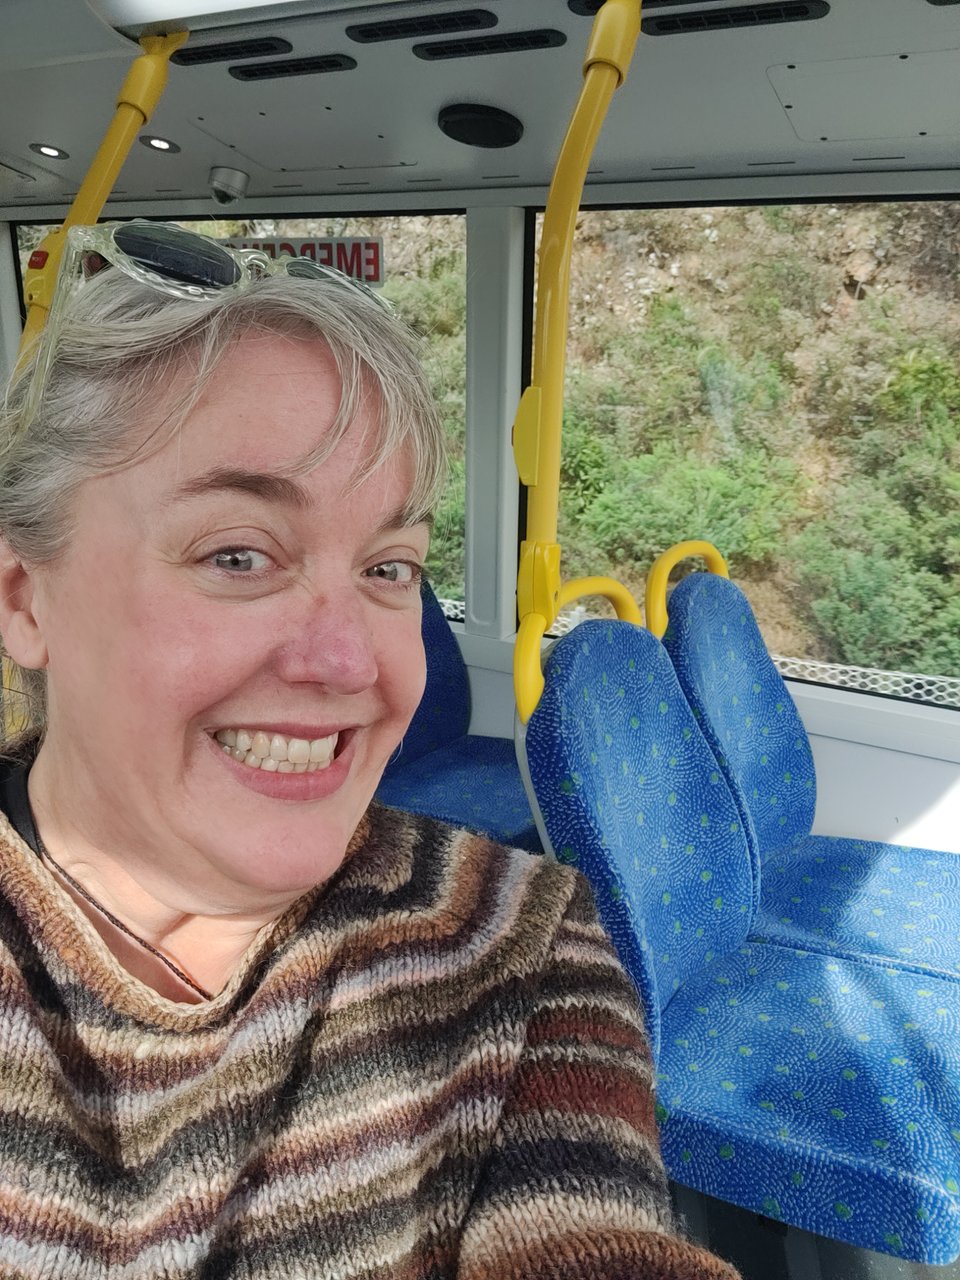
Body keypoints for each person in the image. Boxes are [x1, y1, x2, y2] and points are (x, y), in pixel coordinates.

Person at [0, 221, 739, 1279]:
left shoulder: (514, 946)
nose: (349, 662)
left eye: (390, 567)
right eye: (239, 554)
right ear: (24, 598)